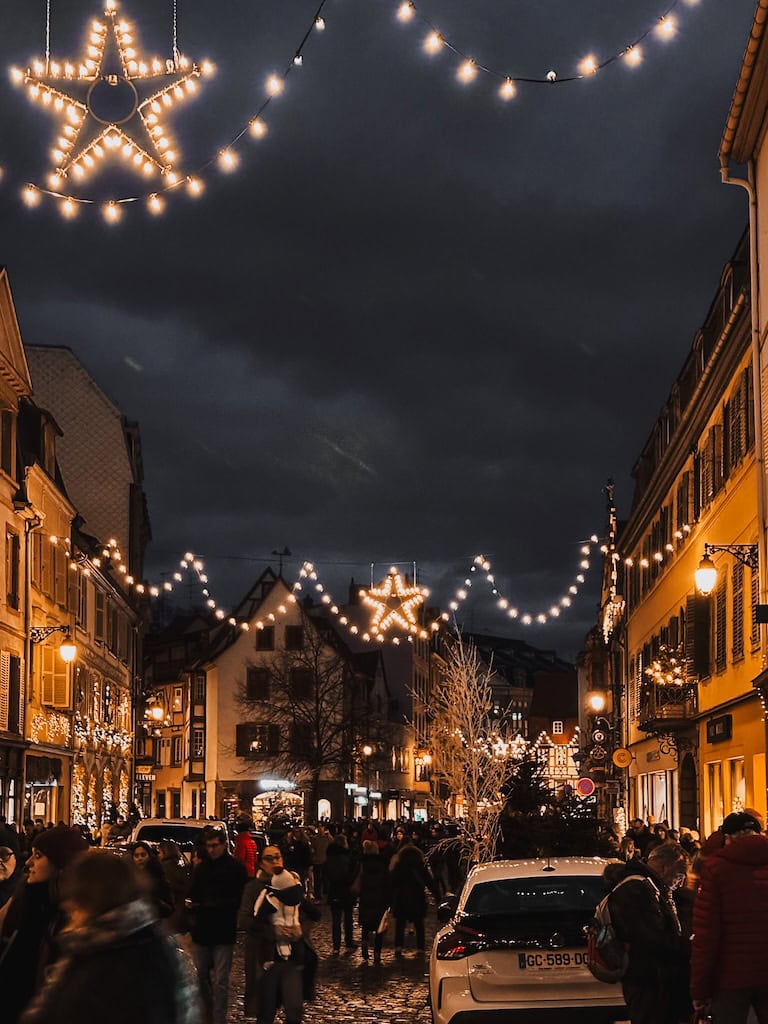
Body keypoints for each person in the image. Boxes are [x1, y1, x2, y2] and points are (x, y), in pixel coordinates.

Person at [18, 850, 202, 1024]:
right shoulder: (155, 945)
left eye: (74, 897)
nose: (67, 906)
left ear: (91, 900)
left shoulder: (99, 957)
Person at [0, 825, 88, 1023]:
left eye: (38, 856)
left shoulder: (73, 915)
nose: (29, 863)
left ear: (60, 863)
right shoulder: (25, 895)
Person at [691, 811, 768, 1023]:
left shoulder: (717, 869)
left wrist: (699, 989)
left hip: (730, 978)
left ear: (729, 838)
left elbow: (706, 935)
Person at [607, 842, 690, 1024]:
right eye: (679, 875)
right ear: (664, 867)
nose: (681, 882)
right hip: (648, 981)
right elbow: (650, 939)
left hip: (653, 980)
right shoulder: (637, 889)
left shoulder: (650, 887)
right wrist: (689, 947)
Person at [246, 848, 320, 1024]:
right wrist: (274, 932)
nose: (274, 861)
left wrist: (300, 929)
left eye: (277, 857)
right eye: (269, 858)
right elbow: (247, 921)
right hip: (267, 959)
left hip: (293, 959)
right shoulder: (255, 889)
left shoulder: (292, 885)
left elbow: (313, 914)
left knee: (294, 1009)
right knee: (266, 1012)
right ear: (262, 863)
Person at [187, 826, 247, 1024]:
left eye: (215, 846)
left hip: (223, 930)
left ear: (223, 845)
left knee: (221, 980)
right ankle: (206, 1014)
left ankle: (218, 1018)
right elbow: (193, 893)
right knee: (201, 976)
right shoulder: (201, 869)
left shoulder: (235, 868)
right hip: (202, 930)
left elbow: (239, 898)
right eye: (208, 846)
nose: (211, 850)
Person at [390, 842, 434, 956]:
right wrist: (438, 897)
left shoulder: (399, 866)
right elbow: (430, 882)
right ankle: (420, 947)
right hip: (417, 898)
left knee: (400, 924)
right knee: (419, 924)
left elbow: (391, 882)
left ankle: (398, 946)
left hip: (401, 898)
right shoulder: (420, 867)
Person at [325, 833, 358, 953]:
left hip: (334, 890)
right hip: (345, 890)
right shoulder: (346, 857)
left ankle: (336, 946)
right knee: (348, 918)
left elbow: (326, 874)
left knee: (336, 920)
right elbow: (349, 874)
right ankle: (348, 942)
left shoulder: (329, 857)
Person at [357, 840, 389, 964]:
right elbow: (387, 883)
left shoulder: (362, 863)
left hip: (366, 897)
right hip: (379, 898)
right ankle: (377, 952)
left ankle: (364, 942)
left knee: (366, 924)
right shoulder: (383, 864)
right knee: (379, 928)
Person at [130, 841, 174, 920]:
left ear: (149, 856)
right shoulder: (130, 877)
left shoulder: (158, 876)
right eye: (136, 856)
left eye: (143, 855)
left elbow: (169, 907)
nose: (140, 858)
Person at [157, 840, 193, 937]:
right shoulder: (182, 865)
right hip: (182, 912)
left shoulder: (164, 867)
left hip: (170, 914)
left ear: (165, 852)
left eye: (159, 852)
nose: (158, 855)